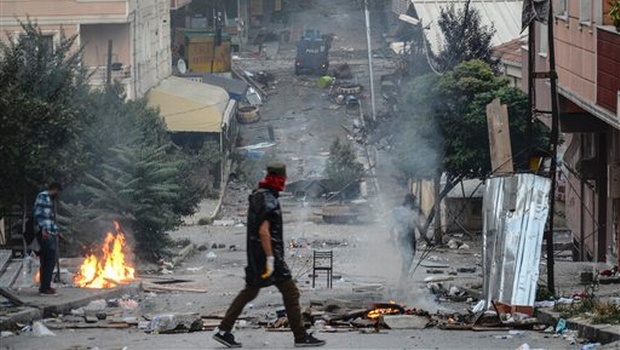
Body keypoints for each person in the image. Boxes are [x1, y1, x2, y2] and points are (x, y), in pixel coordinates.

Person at [213, 163, 325, 348]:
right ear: (281, 178)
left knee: (249, 292)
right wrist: (271, 259)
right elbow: (264, 232)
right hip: (269, 258)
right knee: (291, 292)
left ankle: (223, 331)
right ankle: (301, 337)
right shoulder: (269, 199)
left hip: (256, 257)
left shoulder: (258, 195)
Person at [33, 182, 62, 295]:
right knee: (50, 260)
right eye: (57, 192)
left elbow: (49, 218)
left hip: (49, 232)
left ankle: (45, 287)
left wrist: (57, 232)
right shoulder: (43, 196)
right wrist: (43, 230)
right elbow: (39, 214)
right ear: (54, 189)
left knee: (46, 260)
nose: (57, 194)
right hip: (44, 233)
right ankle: (45, 287)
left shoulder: (49, 199)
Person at [392, 193, 422, 279]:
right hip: (410, 237)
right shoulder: (411, 212)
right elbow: (418, 225)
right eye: (414, 201)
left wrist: (392, 238)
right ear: (411, 202)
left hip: (401, 237)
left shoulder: (396, 211)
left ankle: (403, 278)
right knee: (408, 258)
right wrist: (427, 240)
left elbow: (391, 226)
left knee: (405, 257)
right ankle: (403, 280)